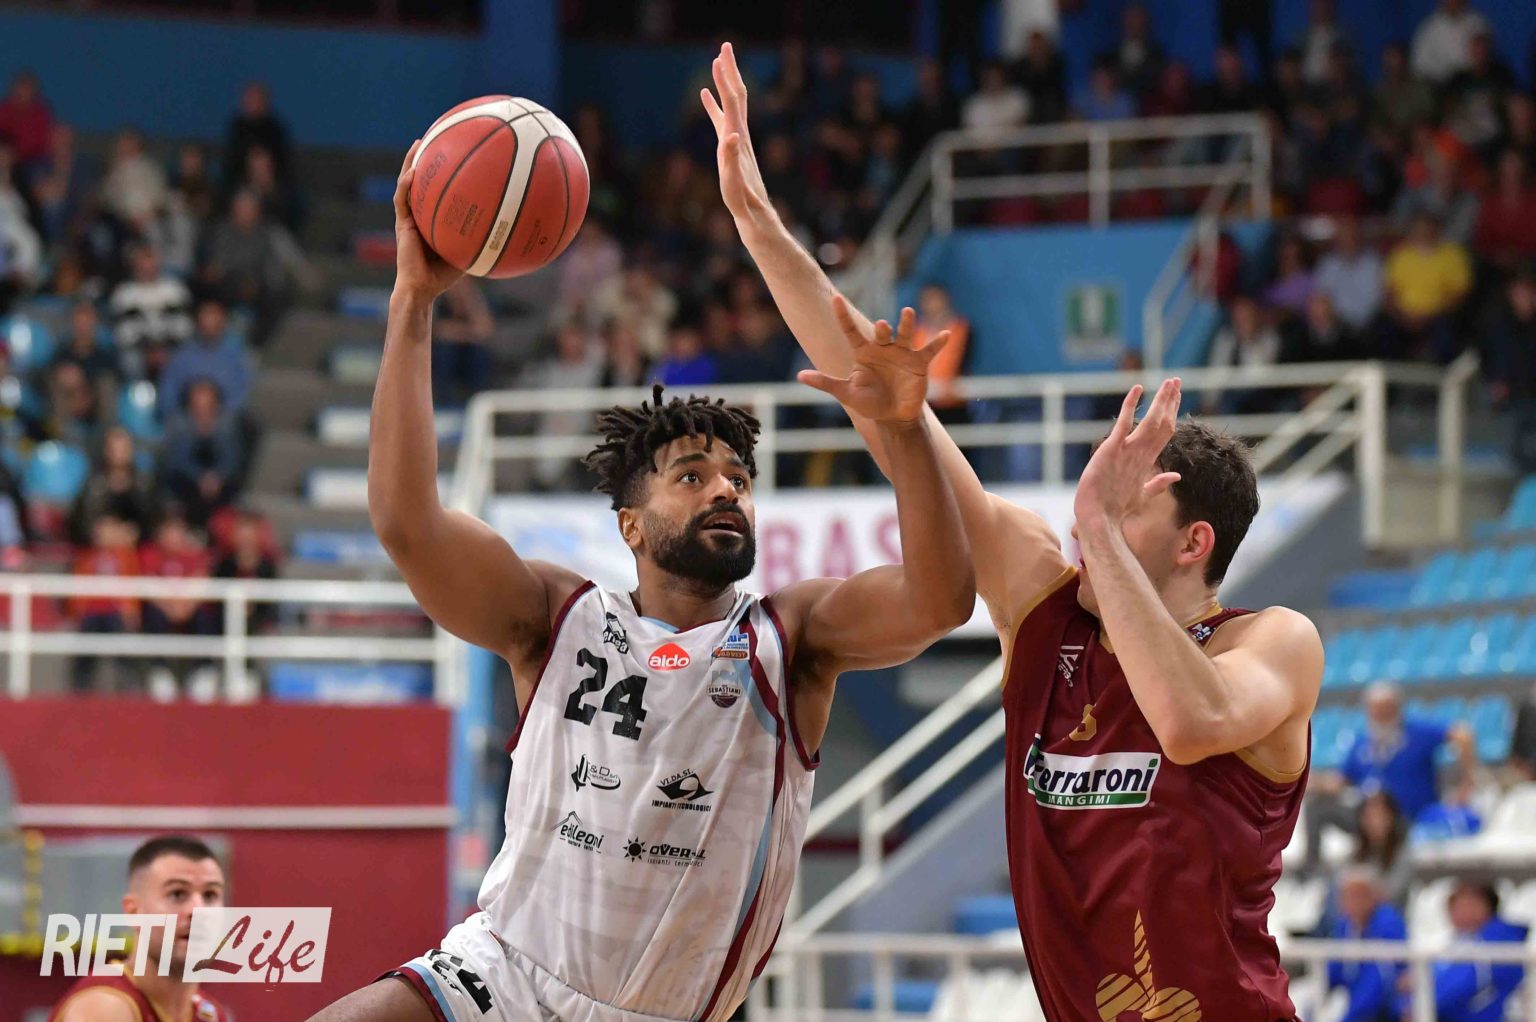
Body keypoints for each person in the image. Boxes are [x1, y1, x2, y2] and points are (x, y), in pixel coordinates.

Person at [705, 41, 1321, 1021]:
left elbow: (1190, 720)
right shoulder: (1044, 605)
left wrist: (1097, 527)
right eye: (1096, 499)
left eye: (1126, 502)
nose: (1090, 517)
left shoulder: (1273, 642)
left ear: (1193, 542)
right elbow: (887, 408)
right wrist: (757, 224)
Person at [307, 136, 975, 1022]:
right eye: (692, 476)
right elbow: (406, 523)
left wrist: (907, 435)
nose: (725, 490)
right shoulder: (555, 615)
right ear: (630, 525)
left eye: (738, 478)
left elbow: (941, 600)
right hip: (502, 973)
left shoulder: (793, 637)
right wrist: (414, 302)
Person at [48, 834, 231, 1021]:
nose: (199, 910)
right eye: (177, 894)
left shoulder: (209, 1013)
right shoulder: (105, 1008)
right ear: (134, 912)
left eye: (210, 895)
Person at [1339, 682, 1476, 823]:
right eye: (1377, 711)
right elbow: (1344, 778)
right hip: (1380, 826)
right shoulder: (1361, 743)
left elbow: (1462, 734)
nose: (1382, 716)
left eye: (1387, 709)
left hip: (1421, 818)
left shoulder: (1416, 733)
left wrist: (1467, 782)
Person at [1400, 881, 1528, 1022]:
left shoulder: (1498, 941)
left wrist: (1418, 1006)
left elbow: (1460, 985)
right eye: (1454, 906)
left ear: (1487, 907)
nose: (1458, 911)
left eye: (1467, 905)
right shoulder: (1458, 940)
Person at [1326, 865, 1408, 1022]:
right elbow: (1333, 969)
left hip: (1389, 1002)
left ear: (1374, 896)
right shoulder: (1345, 925)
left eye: (1359, 895)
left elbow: (1381, 980)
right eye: (1347, 896)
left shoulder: (1387, 921)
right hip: (1353, 995)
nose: (1353, 902)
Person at [1350, 791, 1412, 907]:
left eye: (1380, 816)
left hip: (1391, 912)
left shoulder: (1403, 853)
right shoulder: (1356, 852)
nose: (1374, 822)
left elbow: (1393, 892)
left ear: (1392, 818)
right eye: (1369, 817)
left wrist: (1363, 893)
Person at [1411, 0, 1491, 84]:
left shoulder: (1478, 23)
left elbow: (1485, 58)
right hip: (1437, 84)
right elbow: (1419, 65)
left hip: (1471, 81)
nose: (1453, 2)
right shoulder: (1428, 28)